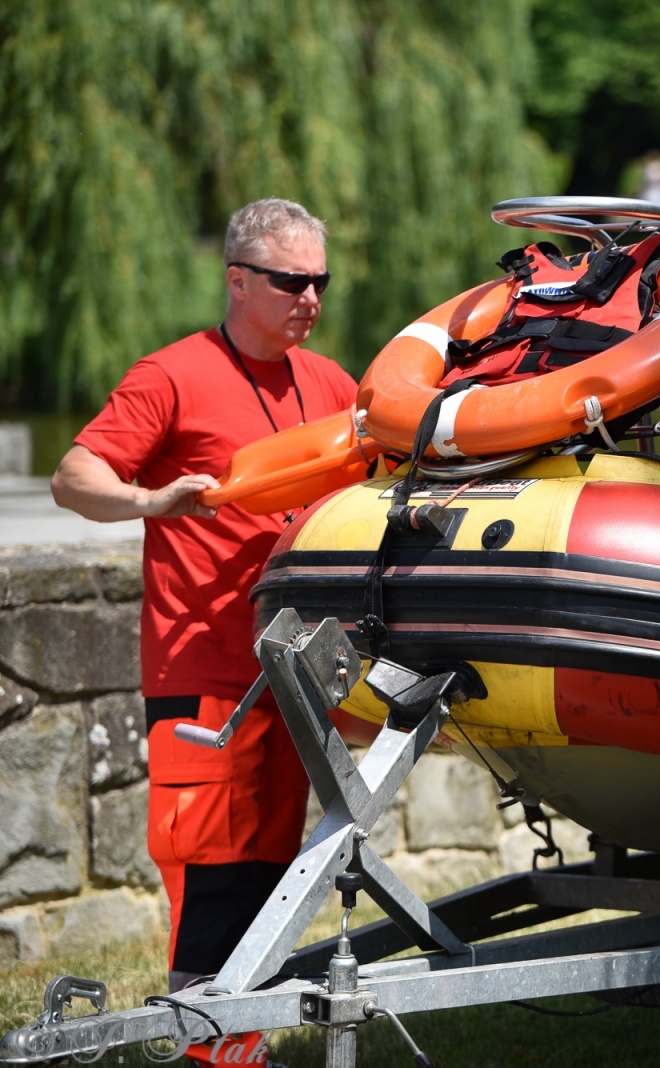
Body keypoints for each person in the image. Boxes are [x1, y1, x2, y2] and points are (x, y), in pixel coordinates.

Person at [52, 199, 358, 1065]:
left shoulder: (330, 383)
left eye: (320, 281)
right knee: (209, 870)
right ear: (237, 280)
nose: (310, 297)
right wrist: (150, 501)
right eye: (291, 281)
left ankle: (241, 1041)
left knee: (270, 872)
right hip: (201, 672)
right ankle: (204, 1047)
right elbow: (74, 476)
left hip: (292, 677)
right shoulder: (173, 376)